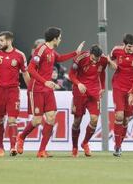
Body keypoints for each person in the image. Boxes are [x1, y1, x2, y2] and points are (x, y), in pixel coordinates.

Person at [16, 27, 84, 158]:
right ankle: (21, 137)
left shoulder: (52, 51)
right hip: (36, 89)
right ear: (54, 38)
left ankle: (41, 150)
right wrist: (45, 81)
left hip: (47, 89)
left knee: (51, 117)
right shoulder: (41, 49)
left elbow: (60, 58)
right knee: (37, 121)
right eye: (59, 37)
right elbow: (30, 69)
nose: (60, 39)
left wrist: (76, 53)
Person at [109, 34, 133, 157]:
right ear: (124, 44)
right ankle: (117, 147)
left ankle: (119, 144)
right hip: (118, 87)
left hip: (132, 90)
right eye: (130, 46)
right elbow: (108, 60)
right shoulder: (116, 50)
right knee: (119, 115)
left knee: (125, 119)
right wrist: (111, 63)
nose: (132, 49)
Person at [69, 45, 108, 157]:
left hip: (94, 91)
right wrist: (78, 83)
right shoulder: (80, 58)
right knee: (77, 121)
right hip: (80, 91)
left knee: (94, 119)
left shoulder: (103, 60)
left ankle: (85, 143)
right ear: (89, 53)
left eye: (97, 59)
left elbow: (102, 72)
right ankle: (75, 147)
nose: (94, 61)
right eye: (92, 58)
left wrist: (103, 87)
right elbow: (71, 75)